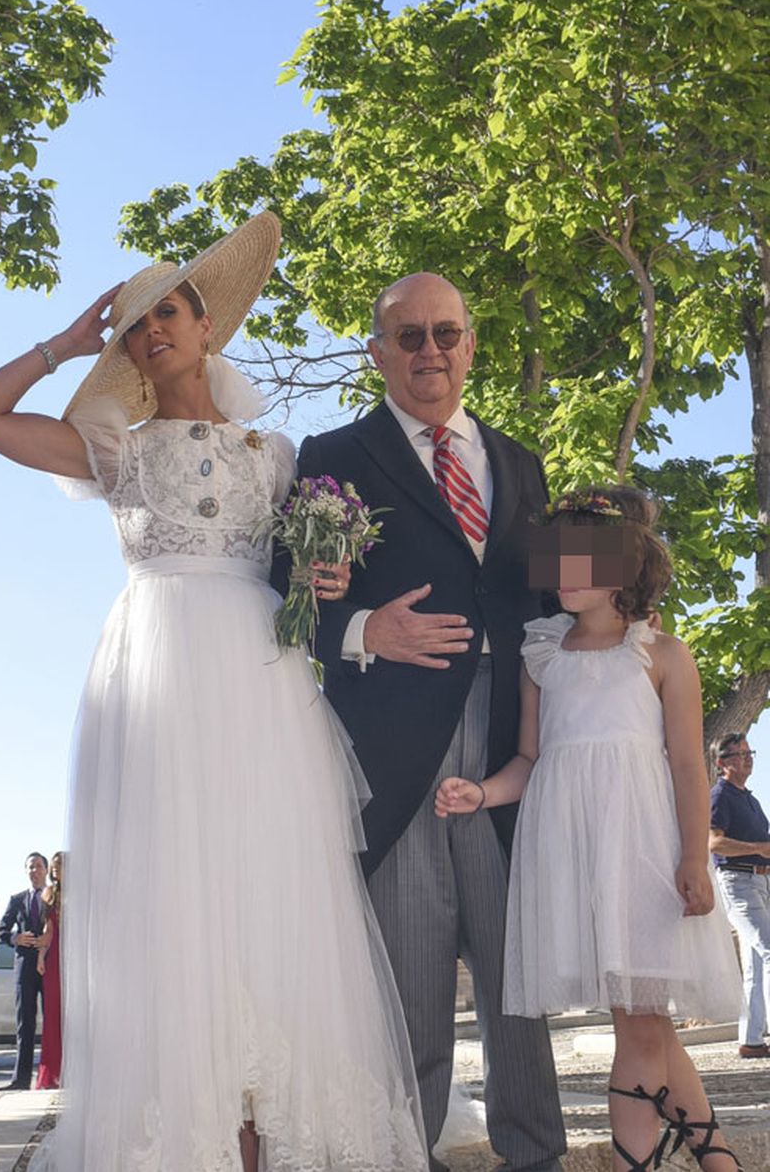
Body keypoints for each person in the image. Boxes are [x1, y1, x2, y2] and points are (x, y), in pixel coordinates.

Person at [0, 211, 428, 1172]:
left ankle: (280, 1130)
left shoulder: (277, 455)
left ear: (208, 326)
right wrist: (62, 346)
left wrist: (329, 580)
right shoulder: (113, 448)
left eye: (166, 311)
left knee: (272, 885)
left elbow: (304, 581)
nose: (152, 329)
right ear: (126, 349)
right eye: (135, 324)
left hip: (261, 682)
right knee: (176, 892)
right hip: (158, 678)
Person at [287, 272, 564, 1172]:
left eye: (446, 332)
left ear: (471, 345)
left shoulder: (520, 462)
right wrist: (366, 629)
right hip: (396, 746)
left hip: (511, 741)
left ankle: (537, 1154)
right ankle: (409, 1154)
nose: (430, 350)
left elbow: (551, 597)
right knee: (411, 977)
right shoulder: (332, 453)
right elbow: (285, 593)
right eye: (408, 336)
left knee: (517, 970)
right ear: (377, 353)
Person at [436, 486, 743, 1172]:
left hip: (642, 855)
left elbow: (688, 767)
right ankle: (719, 1160)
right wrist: (480, 793)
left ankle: (640, 1161)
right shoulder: (543, 654)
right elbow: (530, 759)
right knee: (644, 1023)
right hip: (571, 856)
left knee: (641, 1024)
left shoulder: (663, 654)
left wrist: (693, 859)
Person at [709, 733, 770, 1059]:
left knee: (756, 963)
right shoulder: (720, 795)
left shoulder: (751, 800)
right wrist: (759, 847)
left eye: (750, 752)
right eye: (740, 754)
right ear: (722, 763)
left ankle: (752, 1040)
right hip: (738, 882)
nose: (748, 759)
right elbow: (714, 843)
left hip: (760, 882)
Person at [0, 852, 48, 1090]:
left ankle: (51, 1076)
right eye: (30, 867)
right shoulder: (17, 899)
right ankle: (20, 1079)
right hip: (24, 967)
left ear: (46, 870)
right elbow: (1, 931)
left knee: (52, 1022)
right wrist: (15, 938)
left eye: (38, 866)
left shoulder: (55, 897)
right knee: (24, 1023)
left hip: (49, 966)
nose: (34, 870)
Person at [35, 851, 64, 1089]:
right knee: (53, 1013)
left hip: (76, 956)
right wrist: (41, 956)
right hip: (55, 958)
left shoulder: (83, 893)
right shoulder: (50, 894)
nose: (55, 870)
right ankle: (53, 1073)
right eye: (54, 867)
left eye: (59, 866)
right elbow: (48, 930)